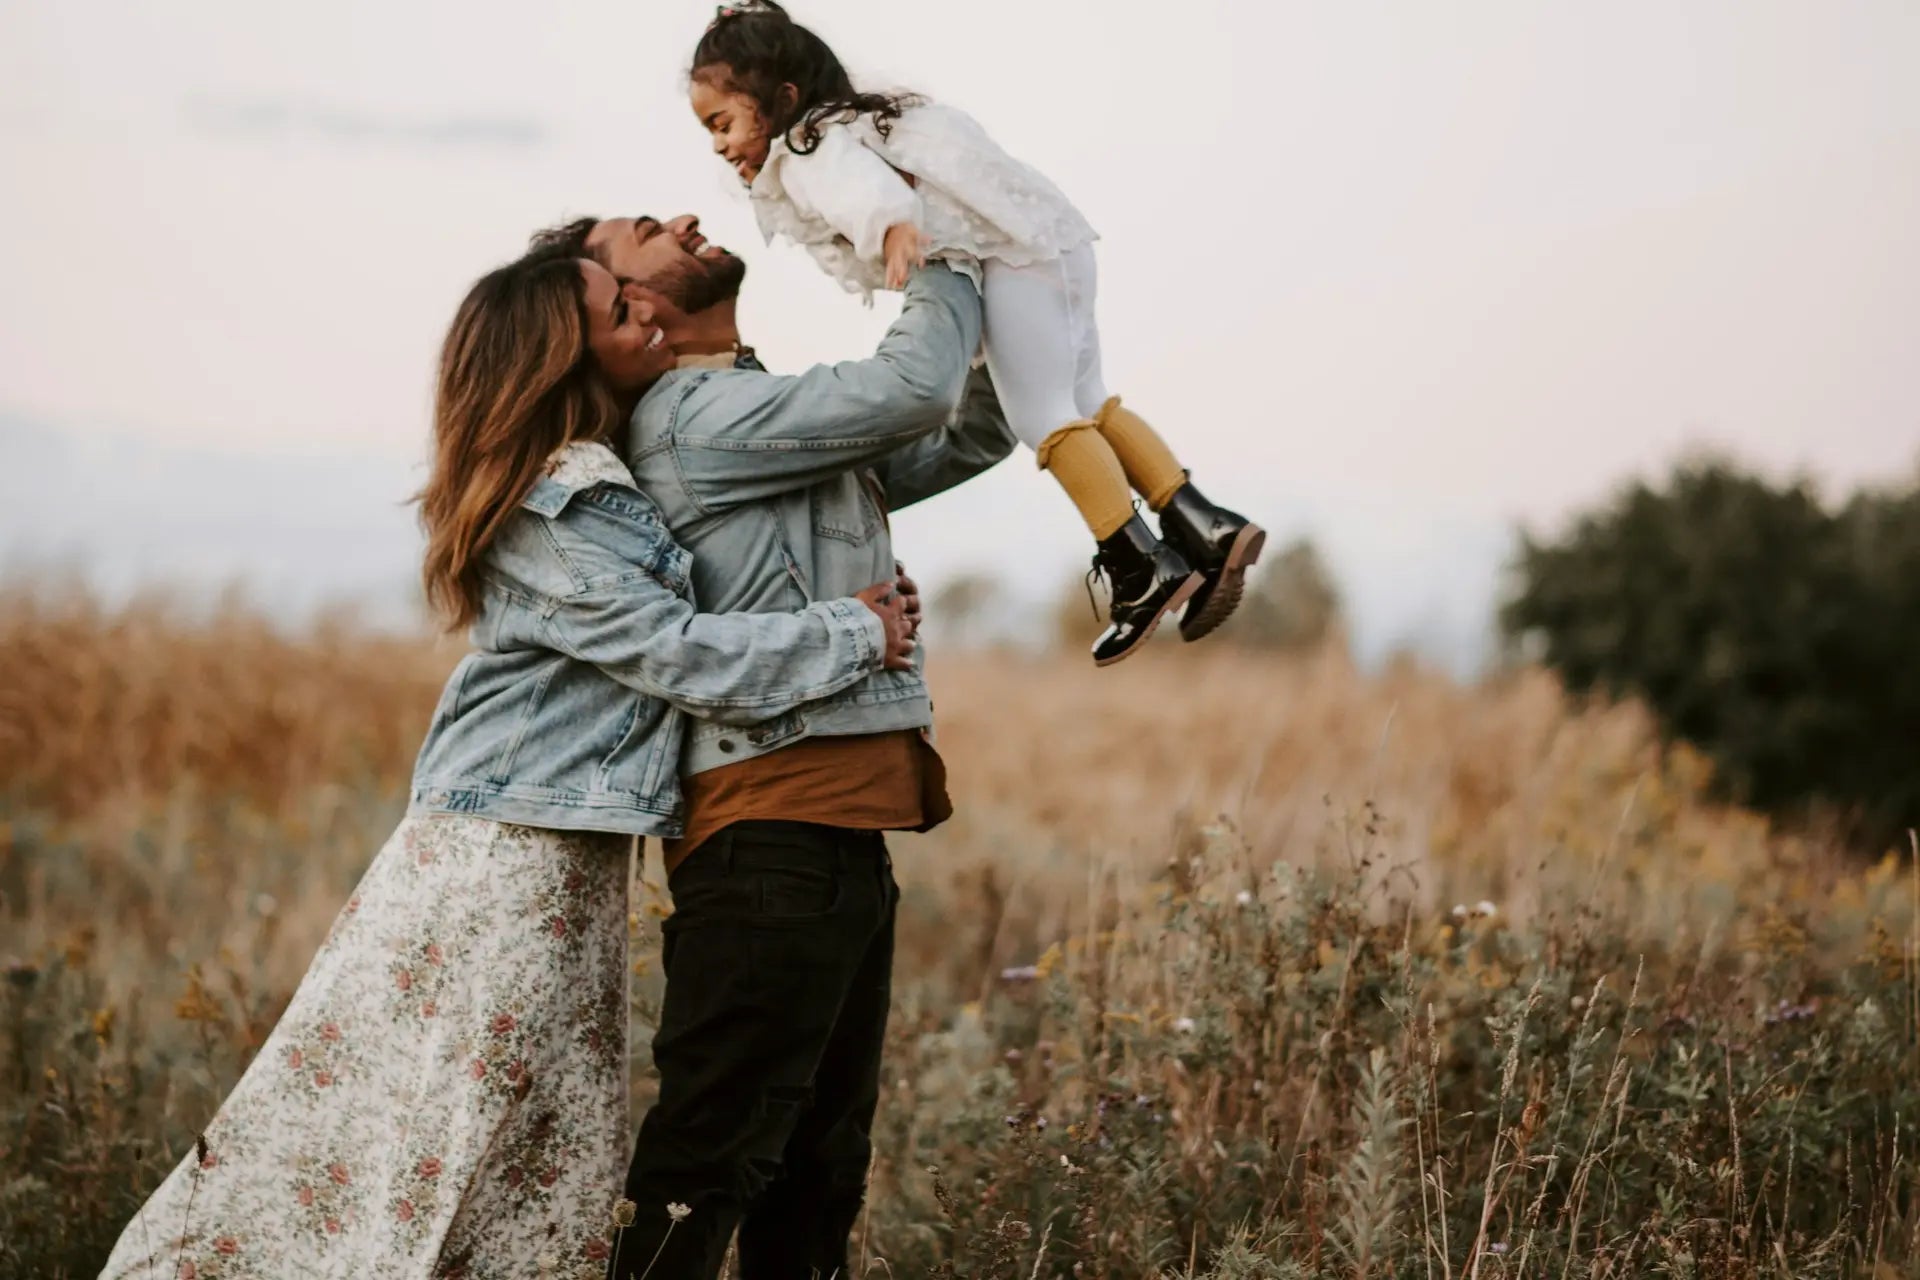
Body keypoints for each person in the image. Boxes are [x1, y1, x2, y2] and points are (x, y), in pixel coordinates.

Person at [94, 248, 919, 1280]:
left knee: (520, 1140)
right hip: (507, 855)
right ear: (564, 356)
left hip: (557, 852)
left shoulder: (619, 470)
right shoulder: (555, 502)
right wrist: (852, 631)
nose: (648, 315)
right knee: (439, 1122)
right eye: (621, 310)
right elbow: (672, 651)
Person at [529, 209, 1014, 1279]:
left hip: (827, 840)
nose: (684, 218)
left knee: (814, 1179)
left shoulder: (753, 412)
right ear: (633, 303)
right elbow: (914, 388)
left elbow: (968, 430)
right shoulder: (693, 418)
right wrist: (942, 243)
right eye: (646, 233)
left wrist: (1025, 293)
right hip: (770, 840)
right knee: (707, 1171)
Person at [684, 0, 1266, 666]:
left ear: (781, 100)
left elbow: (860, 191)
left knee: (1042, 418)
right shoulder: (860, 122)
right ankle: (1204, 524)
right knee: (1089, 401)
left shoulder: (808, 149)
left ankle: (1139, 564)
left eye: (723, 123)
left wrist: (893, 227)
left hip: (1008, 261)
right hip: (1051, 243)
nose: (719, 145)